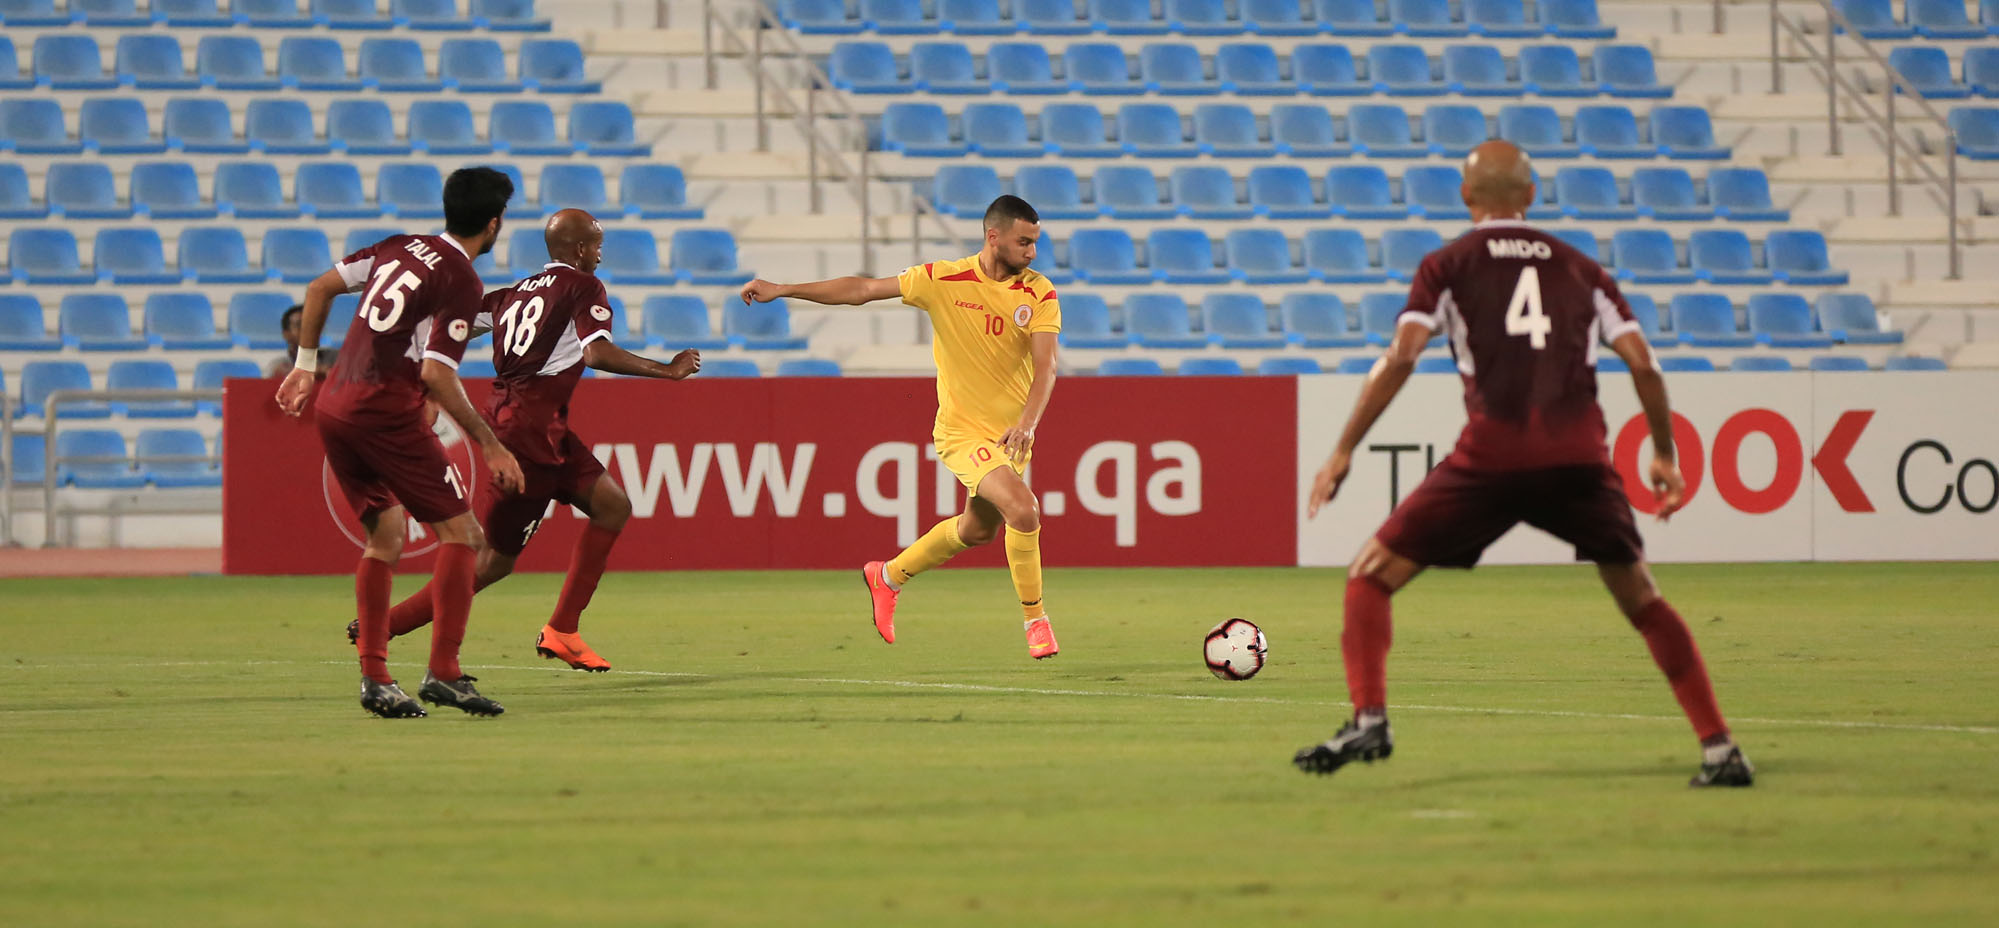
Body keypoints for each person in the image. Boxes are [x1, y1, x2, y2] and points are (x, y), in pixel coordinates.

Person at [1292, 140, 1753, 788]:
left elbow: (1401, 355)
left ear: (1465, 197)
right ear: (1531, 195)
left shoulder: (1446, 265)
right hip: (1577, 462)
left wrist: (1343, 448)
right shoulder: (1581, 269)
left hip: (1491, 458)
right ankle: (1719, 747)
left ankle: (1369, 717)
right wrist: (1664, 453)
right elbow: (1644, 365)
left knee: (1369, 575)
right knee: (1643, 600)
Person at [350, 208, 702, 671]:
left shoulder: (511, 295)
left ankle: (563, 630)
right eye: (597, 245)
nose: (600, 254)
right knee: (492, 561)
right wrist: (666, 369)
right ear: (580, 249)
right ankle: (383, 626)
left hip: (541, 428)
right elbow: (596, 353)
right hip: (526, 436)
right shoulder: (583, 287)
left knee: (613, 506)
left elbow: (444, 325)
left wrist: (415, 377)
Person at [738, 195, 1063, 660]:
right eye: (1024, 242)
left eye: (1035, 243)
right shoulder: (942, 279)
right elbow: (863, 289)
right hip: (962, 432)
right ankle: (1036, 620)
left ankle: (887, 576)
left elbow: (1046, 367)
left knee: (977, 530)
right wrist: (785, 289)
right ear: (994, 237)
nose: (1032, 252)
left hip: (1009, 438)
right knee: (1024, 509)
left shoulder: (1039, 292)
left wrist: (1027, 425)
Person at [277, 166, 526, 720]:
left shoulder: (397, 247)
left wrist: (304, 366)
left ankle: (376, 679)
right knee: (464, 536)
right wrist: (490, 445)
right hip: (384, 411)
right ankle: (445, 673)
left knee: (385, 537)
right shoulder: (461, 279)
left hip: (336, 405)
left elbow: (319, 288)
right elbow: (438, 373)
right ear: (494, 223)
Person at [268, 305, 334, 378]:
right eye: (300, 325)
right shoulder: (278, 365)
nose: (309, 330)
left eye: (313, 325)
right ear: (286, 334)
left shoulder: (335, 358)